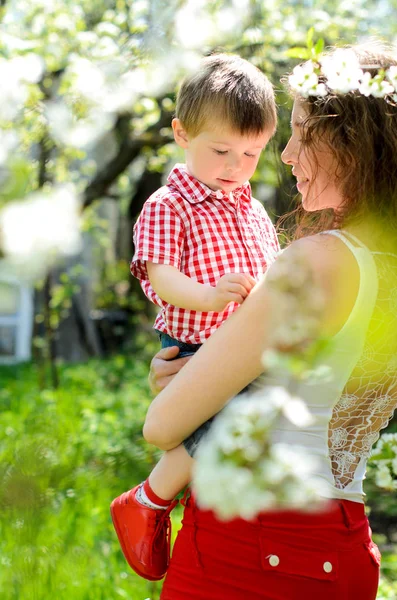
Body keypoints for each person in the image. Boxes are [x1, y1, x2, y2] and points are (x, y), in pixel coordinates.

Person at [143, 43, 397, 600]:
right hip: (345, 546)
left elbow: (161, 426)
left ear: (350, 141)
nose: (285, 157)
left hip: (251, 549)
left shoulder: (320, 260)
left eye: (303, 132)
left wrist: (185, 384)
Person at [110, 53, 280, 581]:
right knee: (231, 411)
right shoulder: (169, 204)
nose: (235, 166)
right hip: (199, 341)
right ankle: (151, 497)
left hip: (245, 343)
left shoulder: (251, 208)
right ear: (182, 134)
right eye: (222, 150)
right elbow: (161, 275)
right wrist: (208, 296)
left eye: (251, 153)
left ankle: (186, 498)